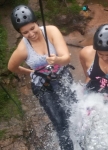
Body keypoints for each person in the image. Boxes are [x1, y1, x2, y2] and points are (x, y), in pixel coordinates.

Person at [8, 5, 75, 150]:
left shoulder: (51, 31)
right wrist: (31, 73)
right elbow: (12, 67)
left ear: (36, 22)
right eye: (25, 32)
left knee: (73, 111)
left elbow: (66, 58)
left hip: (62, 76)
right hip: (43, 86)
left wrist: (57, 60)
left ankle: (82, 140)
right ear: (20, 33)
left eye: (32, 28)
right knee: (60, 123)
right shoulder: (22, 49)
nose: (31, 34)